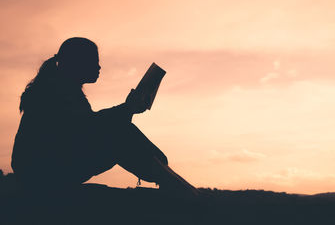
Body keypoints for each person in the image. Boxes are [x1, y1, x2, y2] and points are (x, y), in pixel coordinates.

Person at [11, 37, 198, 195]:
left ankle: (172, 182)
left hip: (45, 169)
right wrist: (127, 108)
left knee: (120, 131)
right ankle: (177, 186)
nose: (99, 67)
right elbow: (86, 128)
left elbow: (88, 128)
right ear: (77, 62)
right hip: (41, 174)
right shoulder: (54, 90)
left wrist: (127, 109)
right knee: (120, 133)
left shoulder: (61, 87)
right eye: (93, 61)